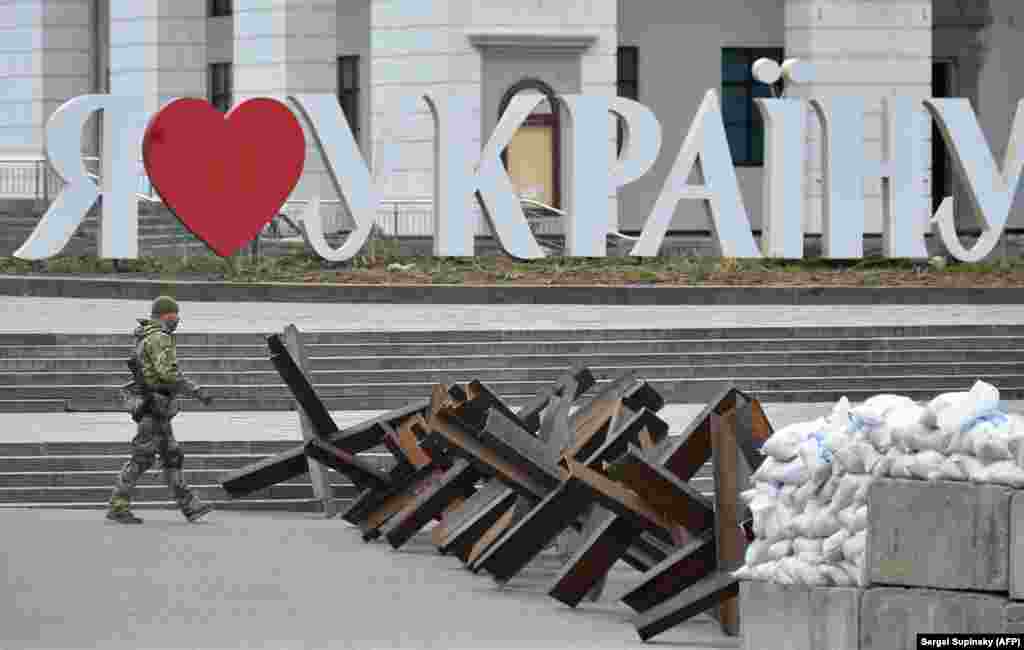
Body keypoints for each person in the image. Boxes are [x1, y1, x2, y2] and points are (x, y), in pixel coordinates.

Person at [107, 295, 215, 524]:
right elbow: (168, 373)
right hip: (154, 406)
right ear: (167, 315)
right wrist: (196, 390)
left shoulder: (146, 336)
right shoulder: (160, 338)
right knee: (143, 457)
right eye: (176, 315)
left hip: (157, 407)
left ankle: (190, 505)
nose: (178, 320)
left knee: (171, 456)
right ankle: (118, 504)